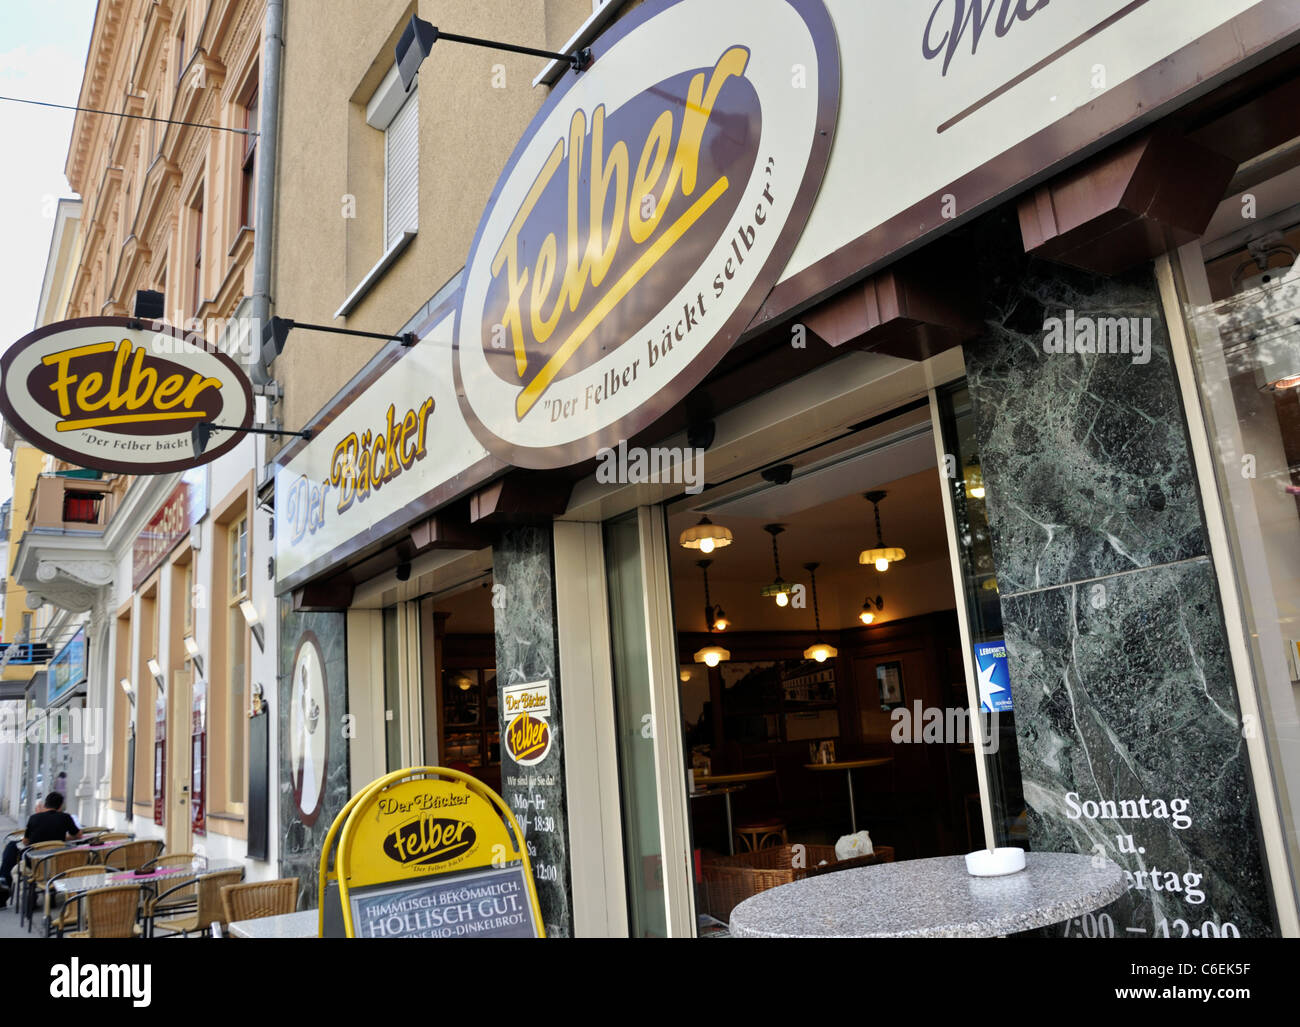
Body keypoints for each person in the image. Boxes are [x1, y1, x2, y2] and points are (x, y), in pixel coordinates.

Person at [0, 792, 81, 908]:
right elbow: (78, 835)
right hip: (57, 866)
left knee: (15, 868)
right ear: (60, 806)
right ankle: (49, 895)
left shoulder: (34, 818)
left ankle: (25, 895)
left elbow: (26, 841)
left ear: (45, 805)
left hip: (36, 866)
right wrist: (63, 837)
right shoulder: (65, 817)